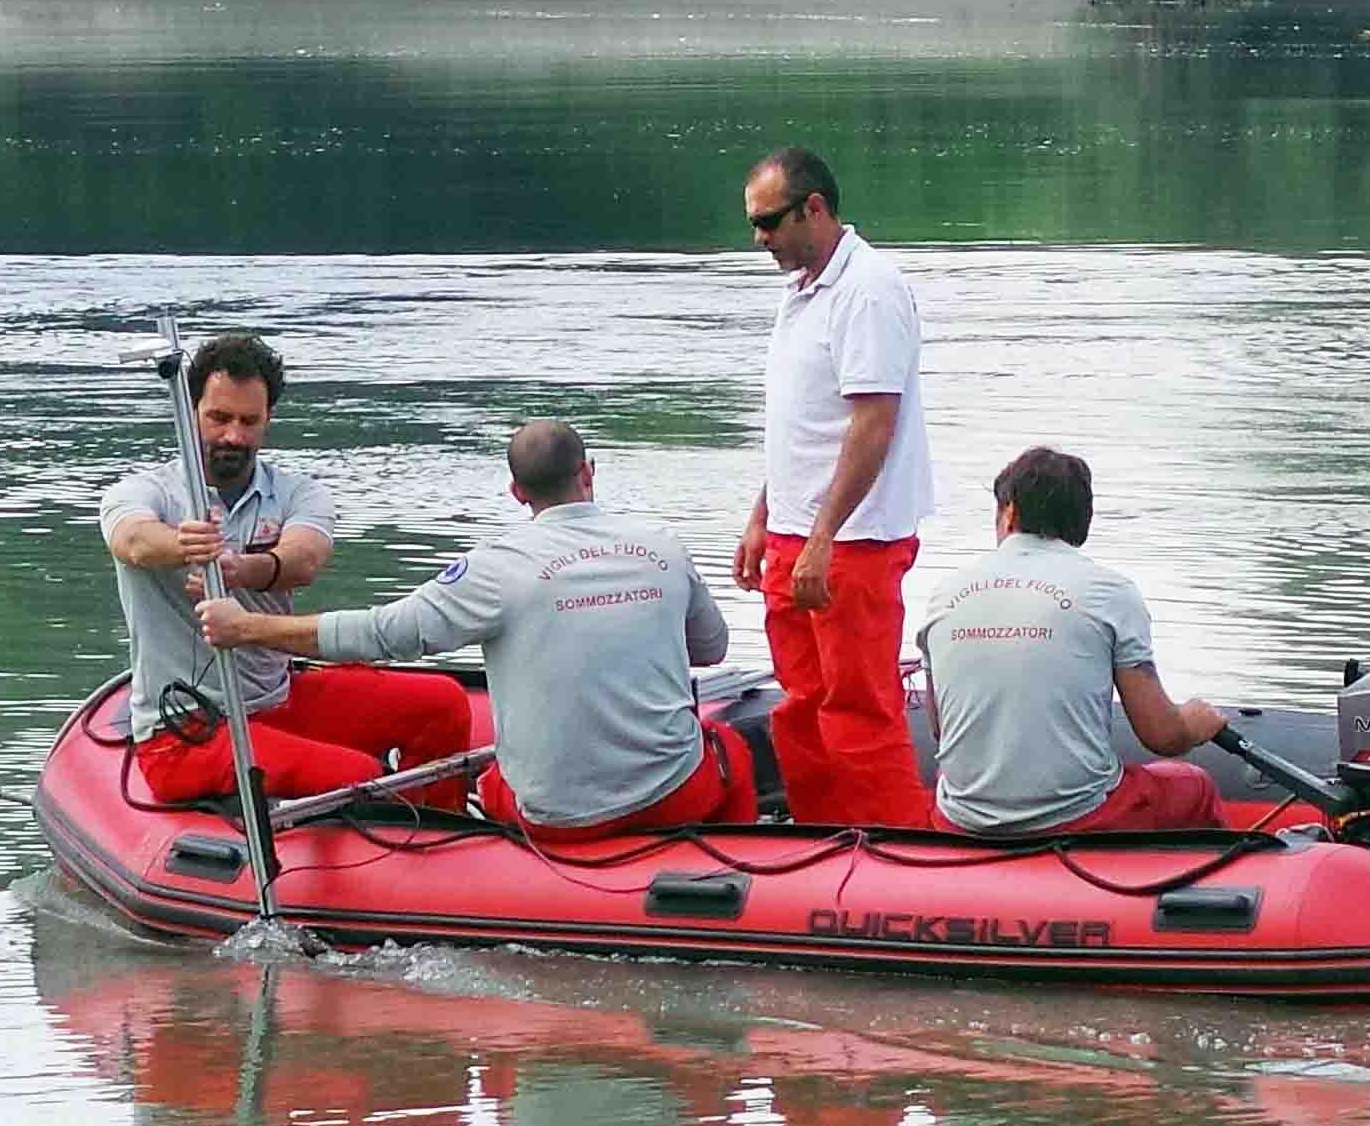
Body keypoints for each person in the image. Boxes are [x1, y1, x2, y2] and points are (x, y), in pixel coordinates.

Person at [197, 419, 755, 838]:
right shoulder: (664, 547)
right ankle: (741, 865)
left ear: (517, 492)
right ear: (589, 472)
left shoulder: (493, 569)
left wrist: (250, 627)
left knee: (491, 784)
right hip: (673, 795)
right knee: (731, 748)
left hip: (558, 818)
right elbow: (712, 649)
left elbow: (383, 633)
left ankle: (450, 855)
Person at [99, 332, 474, 803]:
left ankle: (442, 829)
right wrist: (184, 543)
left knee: (443, 703)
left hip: (276, 697)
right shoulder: (146, 492)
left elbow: (305, 558)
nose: (233, 436)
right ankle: (392, 825)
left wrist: (241, 569)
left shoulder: (298, 493)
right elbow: (132, 540)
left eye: (248, 421)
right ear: (192, 412)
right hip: (187, 730)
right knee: (359, 775)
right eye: (219, 418)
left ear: (268, 420)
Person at [737, 145, 938, 827]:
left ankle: (898, 850)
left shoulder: (868, 290)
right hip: (795, 533)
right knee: (800, 707)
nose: (759, 238)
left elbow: (873, 424)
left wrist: (823, 536)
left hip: (854, 540)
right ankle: (820, 842)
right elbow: (804, 425)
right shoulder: (802, 292)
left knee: (858, 710)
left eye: (768, 221)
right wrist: (763, 516)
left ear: (814, 208)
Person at [918, 446, 1231, 838]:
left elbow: (939, 729)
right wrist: (1195, 722)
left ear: (1009, 512)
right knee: (1194, 786)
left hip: (960, 821)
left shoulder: (943, 594)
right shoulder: (1111, 592)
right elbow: (1162, 735)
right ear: (1082, 522)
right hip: (1078, 819)